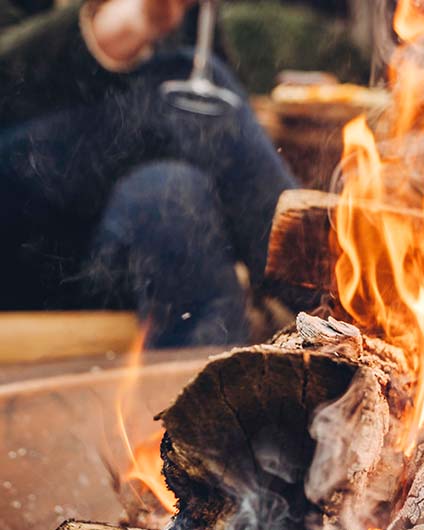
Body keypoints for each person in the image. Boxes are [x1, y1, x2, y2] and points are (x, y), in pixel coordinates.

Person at [0, 0, 295, 347]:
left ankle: (214, 392)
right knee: (185, 86)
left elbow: (214, 125)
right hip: (19, 215)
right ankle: (333, 293)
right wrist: (107, 31)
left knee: (169, 197)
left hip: (96, 254)